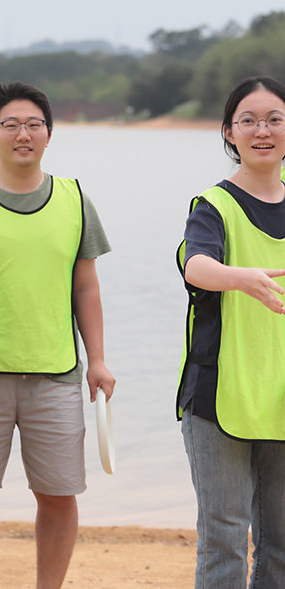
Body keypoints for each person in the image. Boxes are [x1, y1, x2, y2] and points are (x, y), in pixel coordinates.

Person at [0, 81, 115, 589]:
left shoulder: (72, 196)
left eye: (34, 125)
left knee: (59, 495)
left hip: (56, 374)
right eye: (10, 125)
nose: (23, 134)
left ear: (49, 134)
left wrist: (99, 360)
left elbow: (85, 287)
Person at [177, 75, 285, 589]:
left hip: (282, 396)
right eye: (249, 120)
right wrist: (240, 277)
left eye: (274, 119)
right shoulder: (212, 205)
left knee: (282, 544)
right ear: (228, 132)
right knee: (223, 539)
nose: (262, 130)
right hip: (218, 396)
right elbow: (195, 264)